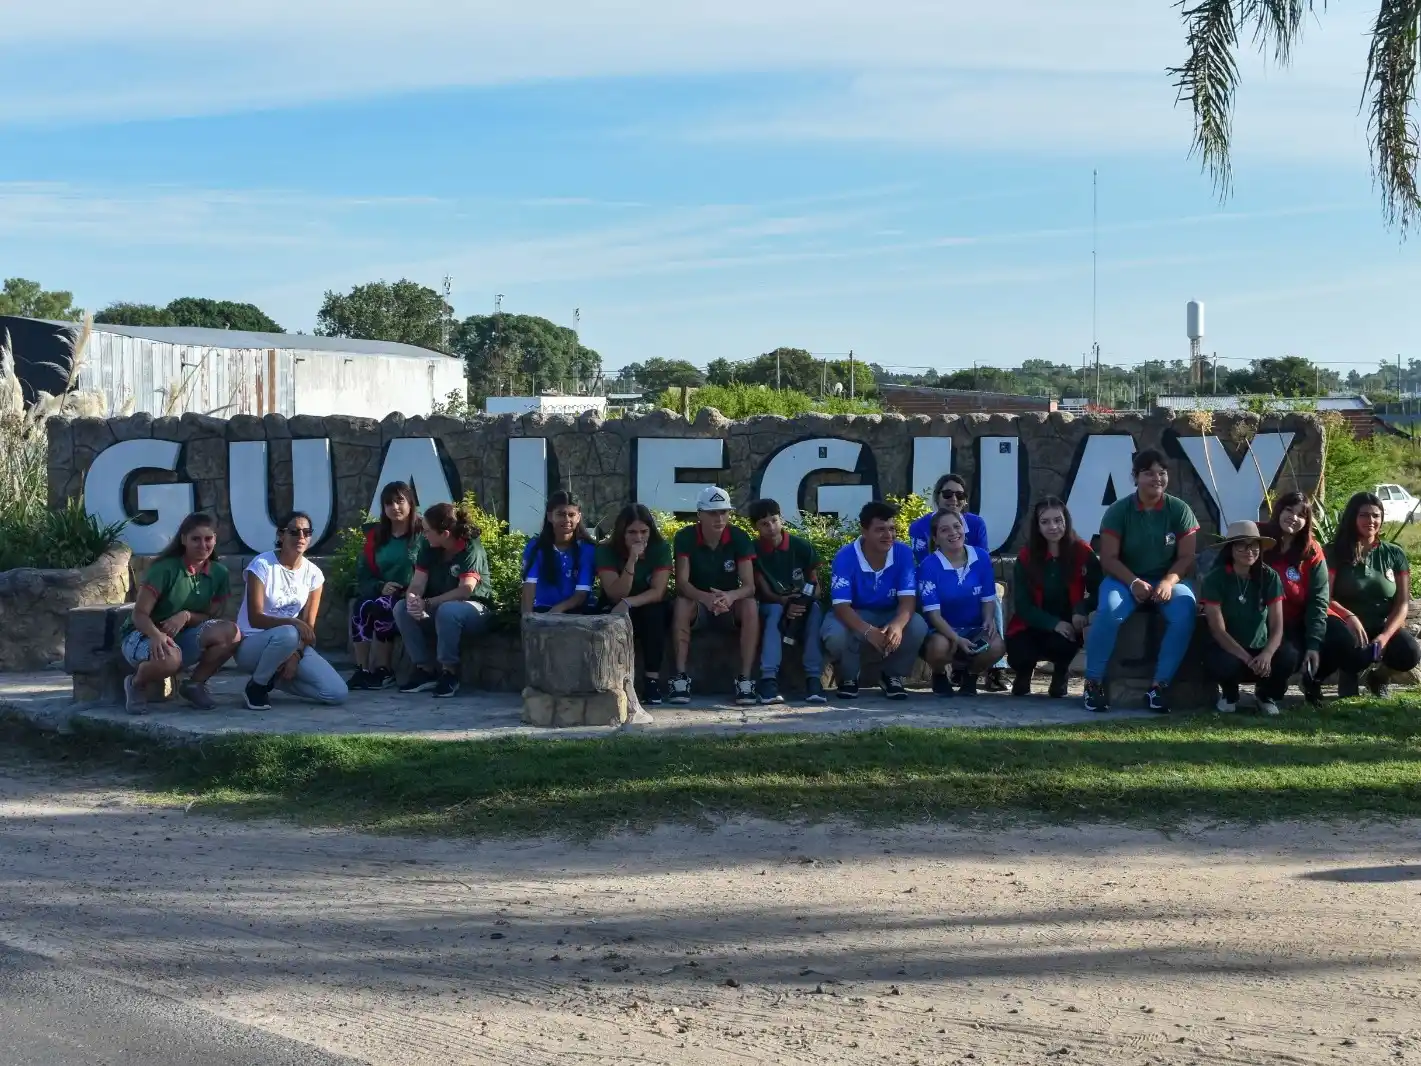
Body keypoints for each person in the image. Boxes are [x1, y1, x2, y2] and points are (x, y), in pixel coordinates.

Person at [1083, 448, 1199, 714]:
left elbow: (1187, 558)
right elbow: (1109, 559)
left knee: (1184, 610)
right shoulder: (1119, 510)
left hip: (1168, 579)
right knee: (1110, 611)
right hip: (1124, 578)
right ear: (1135, 477)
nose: (1156, 478)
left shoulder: (1179, 510)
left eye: (1162, 473)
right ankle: (1093, 684)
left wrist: (1169, 582)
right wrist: (1134, 582)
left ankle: (1159, 687)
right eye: (1149, 473)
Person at [120, 512, 242, 714]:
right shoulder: (164, 569)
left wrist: (186, 616)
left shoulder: (219, 573)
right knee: (169, 659)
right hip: (142, 634)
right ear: (183, 539)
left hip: (182, 635)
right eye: (195, 539)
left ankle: (194, 685)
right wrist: (157, 635)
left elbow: (210, 617)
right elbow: (139, 614)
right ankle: (135, 683)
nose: (203, 545)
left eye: (208, 538)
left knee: (232, 633)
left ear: (215, 539)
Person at [236, 511, 347, 711]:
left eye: (307, 532)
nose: (301, 537)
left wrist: (295, 656)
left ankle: (273, 678)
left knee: (336, 693)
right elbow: (255, 619)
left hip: (289, 645)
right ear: (281, 535)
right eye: (294, 532)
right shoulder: (262, 565)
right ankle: (256, 687)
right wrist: (293, 622)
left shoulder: (314, 574)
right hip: (252, 644)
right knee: (289, 632)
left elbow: (309, 629)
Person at [907, 473, 1006, 692]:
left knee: (995, 632)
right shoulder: (928, 560)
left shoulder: (978, 545)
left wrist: (988, 618)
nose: (954, 499)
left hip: (971, 606)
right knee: (940, 644)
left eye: (960, 495)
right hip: (940, 607)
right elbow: (932, 607)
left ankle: (978, 674)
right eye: (948, 494)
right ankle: (940, 674)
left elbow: (985, 579)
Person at [822, 500, 929, 700]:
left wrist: (897, 625)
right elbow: (841, 606)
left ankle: (891, 676)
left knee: (917, 625)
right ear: (864, 531)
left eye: (892, 529)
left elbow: (908, 600)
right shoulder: (845, 556)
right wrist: (868, 631)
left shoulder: (903, 553)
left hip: (889, 613)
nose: (888, 535)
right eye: (880, 529)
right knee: (835, 633)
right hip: (854, 613)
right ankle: (848, 677)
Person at [1322, 491, 1420, 698]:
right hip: (1345, 626)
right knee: (1352, 646)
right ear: (1352, 517)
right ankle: (1347, 676)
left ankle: (1379, 677)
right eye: (1364, 515)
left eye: (1376, 515)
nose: (1371, 521)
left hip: (1381, 625)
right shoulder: (1333, 552)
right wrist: (1350, 617)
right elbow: (1325, 598)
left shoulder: (1394, 553)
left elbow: (1402, 603)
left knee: (1410, 653)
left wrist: (1385, 636)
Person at [669, 486, 759, 706]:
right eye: (712, 513)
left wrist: (729, 596)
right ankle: (680, 679)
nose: (719, 518)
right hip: (698, 605)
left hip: (729, 605)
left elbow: (749, 586)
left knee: (749, 606)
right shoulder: (685, 537)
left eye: (724, 512)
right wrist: (706, 599)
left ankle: (745, 680)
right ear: (699, 514)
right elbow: (681, 583)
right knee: (681, 604)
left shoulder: (739, 537)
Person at [394, 501, 494, 699]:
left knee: (448, 610)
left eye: (428, 531)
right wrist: (414, 599)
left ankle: (449, 672)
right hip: (439, 607)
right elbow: (417, 583)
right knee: (401, 608)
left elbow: (465, 590)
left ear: (445, 533)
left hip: (474, 610)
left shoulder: (470, 548)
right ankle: (424, 670)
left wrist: (428, 603)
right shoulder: (429, 546)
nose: (424, 534)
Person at [1005, 497, 1100, 698]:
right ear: (1037, 526)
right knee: (1018, 652)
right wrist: (1053, 623)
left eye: (1058, 520)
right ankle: (1024, 673)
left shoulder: (1083, 552)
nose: (1053, 527)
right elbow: (1022, 605)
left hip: (1067, 625)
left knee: (1064, 643)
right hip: (1031, 623)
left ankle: (1060, 673)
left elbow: (1100, 590)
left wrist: (1080, 609)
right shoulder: (1026, 556)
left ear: (1066, 521)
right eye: (1045, 521)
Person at [1200, 521, 1297, 716]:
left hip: (1260, 647)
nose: (1249, 550)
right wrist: (1246, 658)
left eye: (1254, 545)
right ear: (1231, 549)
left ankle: (1265, 695)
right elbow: (1218, 630)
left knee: (1289, 655)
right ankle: (1229, 695)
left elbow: (1277, 625)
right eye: (1241, 545)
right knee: (1223, 663)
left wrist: (1267, 654)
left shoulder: (1270, 577)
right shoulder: (1214, 579)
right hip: (1229, 648)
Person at [747, 498, 826, 705]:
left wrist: (803, 602)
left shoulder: (800, 546)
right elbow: (761, 590)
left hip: (802, 603)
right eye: (764, 524)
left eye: (774, 520)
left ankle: (813, 679)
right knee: (774, 611)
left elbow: (816, 586)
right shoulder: (752, 550)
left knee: (815, 610)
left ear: (781, 519)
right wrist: (783, 602)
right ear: (756, 527)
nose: (771, 527)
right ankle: (768, 681)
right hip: (771, 604)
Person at [597, 504, 673, 704]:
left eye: (643, 532)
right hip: (615, 602)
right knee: (610, 622)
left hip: (645, 602)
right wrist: (632, 560)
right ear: (622, 532)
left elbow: (658, 591)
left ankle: (652, 682)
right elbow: (615, 593)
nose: (638, 538)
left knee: (654, 615)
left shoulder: (660, 548)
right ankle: (613, 683)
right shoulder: (606, 550)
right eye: (631, 532)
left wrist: (628, 603)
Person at [349, 481, 422, 690]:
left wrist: (411, 588)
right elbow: (363, 573)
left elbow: (430, 568)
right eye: (389, 503)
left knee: (383, 605)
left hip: (412, 594)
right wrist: (380, 585)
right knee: (361, 606)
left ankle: (384, 669)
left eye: (400, 501)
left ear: (410, 503)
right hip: (383, 590)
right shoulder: (376, 536)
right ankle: (362, 670)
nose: (395, 507)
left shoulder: (422, 534)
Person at [1260, 492, 1331, 704]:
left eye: (1301, 515)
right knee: (1286, 654)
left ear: (1307, 522)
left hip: (1296, 620)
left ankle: (1311, 681)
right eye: (1289, 510)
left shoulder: (1311, 550)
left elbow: (1319, 598)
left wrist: (1313, 643)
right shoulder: (1259, 538)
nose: (1293, 517)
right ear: (1279, 510)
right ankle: (1264, 693)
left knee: (1339, 639)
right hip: (1260, 619)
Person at [520, 490, 596, 616]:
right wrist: (527, 620)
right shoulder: (536, 546)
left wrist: (557, 610)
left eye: (572, 515)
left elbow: (581, 594)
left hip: (579, 611)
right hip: (543, 610)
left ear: (578, 517)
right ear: (550, 516)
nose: (566, 519)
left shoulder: (587, 549)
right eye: (561, 514)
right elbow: (529, 587)